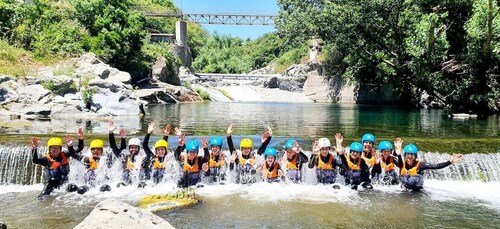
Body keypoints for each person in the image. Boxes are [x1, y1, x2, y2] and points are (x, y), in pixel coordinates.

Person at [30, 128, 83, 199]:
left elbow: (78, 149)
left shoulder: (65, 154)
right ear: (49, 149)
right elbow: (35, 160)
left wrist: (79, 139)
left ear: (60, 148)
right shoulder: (46, 159)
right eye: (53, 148)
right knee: (41, 198)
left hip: (64, 184)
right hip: (51, 185)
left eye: (57, 148)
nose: (56, 150)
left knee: (75, 188)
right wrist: (34, 149)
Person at [394, 138, 463, 191]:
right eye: (407, 154)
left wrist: (450, 162)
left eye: (412, 154)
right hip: (402, 191)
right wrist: (397, 153)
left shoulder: (421, 165)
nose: (409, 156)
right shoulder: (400, 163)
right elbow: (388, 158)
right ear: (405, 155)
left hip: (417, 192)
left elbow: (436, 166)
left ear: (415, 156)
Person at [107, 120, 144, 186]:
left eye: (135, 147)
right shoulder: (124, 158)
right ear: (129, 148)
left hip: (138, 184)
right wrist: (111, 132)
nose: (133, 149)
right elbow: (113, 147)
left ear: (139, 148)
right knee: (126, 172)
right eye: (132, 147)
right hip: (125, 186)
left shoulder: (143, 157)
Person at [141, 122, 171, 186]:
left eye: (162, 149)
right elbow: (144, 145)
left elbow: (164, 144)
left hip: (164, 185)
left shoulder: (169, 158)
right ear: (156, 151)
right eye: (158, 150)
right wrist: (148, 133)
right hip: (152, 185)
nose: (160, 151)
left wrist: (166, 135)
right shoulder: (152, 157)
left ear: (165, 150)